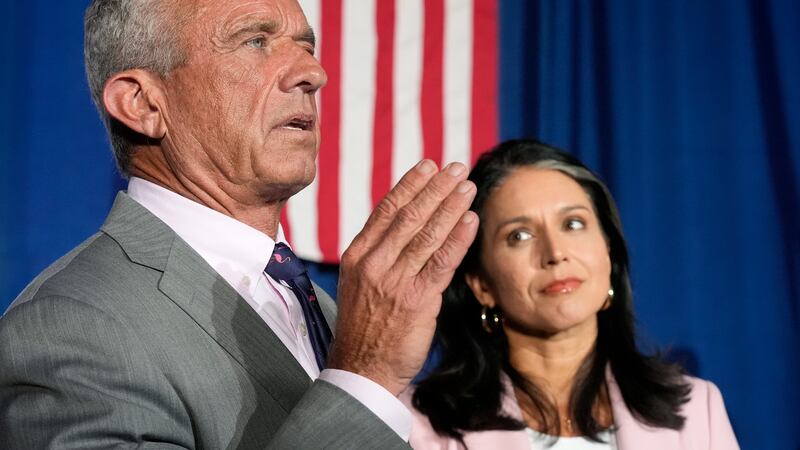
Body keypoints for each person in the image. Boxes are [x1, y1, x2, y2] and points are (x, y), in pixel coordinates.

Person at [0, 0, 480, 448]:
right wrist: (364, 377)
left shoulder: (328, 311)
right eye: (256, 41)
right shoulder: (73, 325)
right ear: (143, 104)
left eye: (306, 47)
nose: (314, 73)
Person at [402, 139, 739, 449]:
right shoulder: (419, 426)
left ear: (608, 252)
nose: (555, 252)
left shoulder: (697, 408)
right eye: (519, 235)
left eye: (573, 224)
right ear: (481, 285)